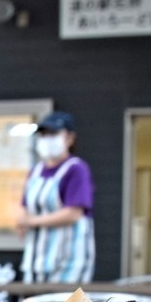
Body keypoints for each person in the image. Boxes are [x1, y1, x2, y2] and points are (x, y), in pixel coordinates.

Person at [16, 111, 95, 283]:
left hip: (69, 260)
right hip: (36, 260)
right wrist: (21, 220)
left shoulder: (76, 169)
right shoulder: (35, 171)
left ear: (69, 138)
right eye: (43, 135)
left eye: (53, 134)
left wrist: (31, 221)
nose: (47, 139)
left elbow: (73, 213)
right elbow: (24, 206)